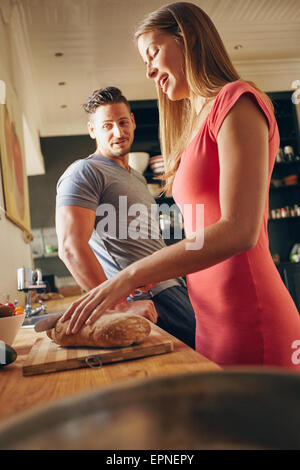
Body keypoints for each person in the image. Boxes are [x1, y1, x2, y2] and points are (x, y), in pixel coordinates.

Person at [61, 2, 300, 370]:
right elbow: (202, 232)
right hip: (209, 318)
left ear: (187, 39)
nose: (149, 70)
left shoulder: (237, 101)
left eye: (153, 52)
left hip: (250, 316)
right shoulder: (195, 127)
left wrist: (129, 278)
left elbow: (239, 230)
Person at [55, 86, 196, 349]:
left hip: (173, 289)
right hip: (147, 298)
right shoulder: (84, 172)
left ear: (132, 121)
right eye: (107, 125)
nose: (118, 132)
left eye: (122, 122)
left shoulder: (138, 178)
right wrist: (120, 306)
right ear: (92, 130)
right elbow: (70, 248)